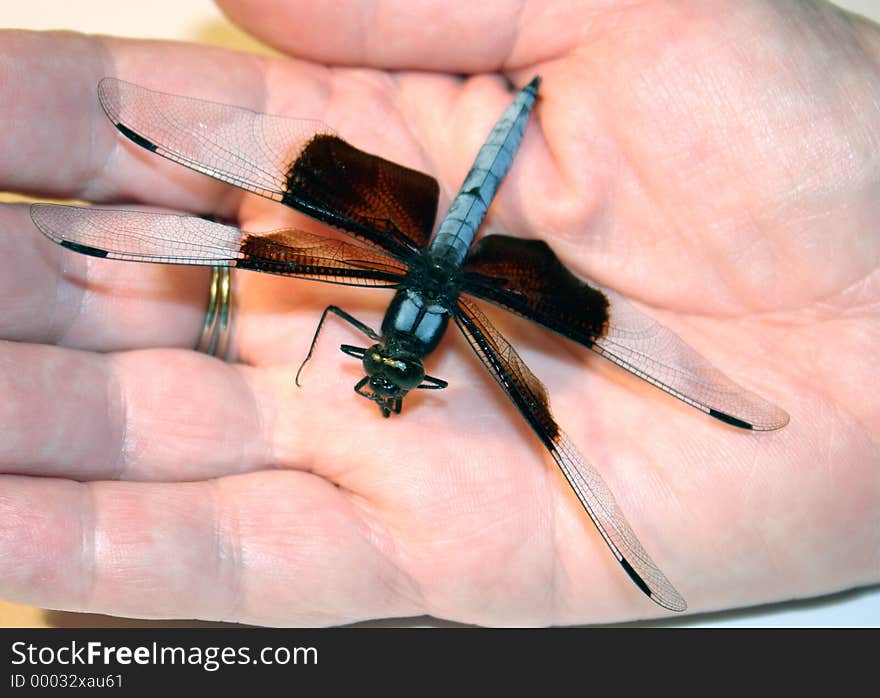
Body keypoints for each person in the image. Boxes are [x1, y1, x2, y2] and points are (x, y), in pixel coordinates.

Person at [0, 0, 876, 626]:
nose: (387, 367)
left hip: (463, 246)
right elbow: (297, 298)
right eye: (392, 367)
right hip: (429, 243)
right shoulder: (387, 327)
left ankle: (522, 106)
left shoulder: (464, 325)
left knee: (546, 418)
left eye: (392, 367)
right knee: (209, 244)